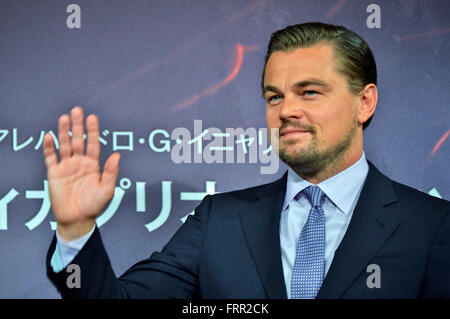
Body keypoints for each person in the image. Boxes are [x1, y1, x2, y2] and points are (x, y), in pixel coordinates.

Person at [44, 22, 450, 299]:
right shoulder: (219, 221)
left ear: (365, 101)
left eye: (309, 92)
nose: (286, 109)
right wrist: (76, 227)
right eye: (274, 96)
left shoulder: (433, 226)